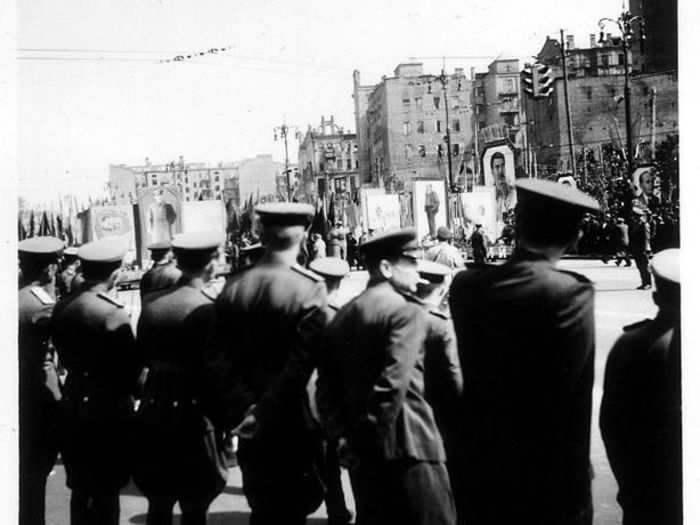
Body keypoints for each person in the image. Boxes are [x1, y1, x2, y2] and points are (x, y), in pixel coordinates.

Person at [449, 179, 600, 525]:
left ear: (519, 227)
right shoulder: (569, 293)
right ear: (574, 236)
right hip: (546, 475)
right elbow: (566, 392)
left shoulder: (466, 287)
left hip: (480, 465)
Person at [317, 228, 456, 525]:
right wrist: (364, 441)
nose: (417, 271)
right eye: (411, 262)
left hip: (362, 461)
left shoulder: (343, 315)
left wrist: (344, 439)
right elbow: (392, 384)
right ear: (385, 268)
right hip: (412, 450)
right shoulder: (405, 311)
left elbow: (326, 390)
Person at [203, 203, 327, 525]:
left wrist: (244, 411)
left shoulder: (234, 286)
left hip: (248, 426)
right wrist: (265, 411)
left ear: (261, 233)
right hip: (291, 422)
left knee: (262, 507)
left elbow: (216, 359)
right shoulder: (310, 287)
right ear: (307, 233)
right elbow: (301, 366)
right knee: (294, 509)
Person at [133, 231, 227, 525]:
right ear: (211, 264)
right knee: (195, 505)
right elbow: (218, 371)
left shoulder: (152, 304)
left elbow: (142, 358)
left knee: (159, 502)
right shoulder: (210, 307)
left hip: (155, 407)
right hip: (195, 415)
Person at [50, 239, 141, 525]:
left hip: (74, 399)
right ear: (115, 274)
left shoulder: (63, 305)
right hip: (107, 409)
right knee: (106, 490)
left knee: (80, 487)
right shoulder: (112, 312)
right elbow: (131, 370)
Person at [600, 248, 681, 525]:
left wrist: (630, 486)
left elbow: (612, 426)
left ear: (657, 296)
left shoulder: (632, 345)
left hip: (647, 490)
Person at [410, 260, 463, 517]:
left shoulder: (400, 313)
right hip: (440, 410)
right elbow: (454, 374)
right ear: (442, 289)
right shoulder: (440, 323)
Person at [18, 236, 64, 525]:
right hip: (40, 393)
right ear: (48, 270)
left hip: (20, 391)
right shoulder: (41, 305)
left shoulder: (16, 296)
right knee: (35, 475)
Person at [308, 257, 353, 525]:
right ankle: (337, 509)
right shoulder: (343, 314)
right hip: (333, 393)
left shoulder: (305, 311)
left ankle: (333, 506)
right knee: (333, 454)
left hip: (307, 391)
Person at [490, 152, 516, 226]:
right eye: (497, 167)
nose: (501, 170)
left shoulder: (514, 193)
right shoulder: (489, 197)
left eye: (502, 166)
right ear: (492, 171)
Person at [629, 207, 652, 290]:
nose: (633, 217)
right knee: (640, 266)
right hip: (637, 249)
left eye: (634, 216)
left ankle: (648, 283)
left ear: (638, 216)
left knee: (645, 266)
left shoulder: (644, 224)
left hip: (643, 249)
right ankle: (644, 282)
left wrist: (646, 249)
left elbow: (646, 238)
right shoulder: (635, 224)